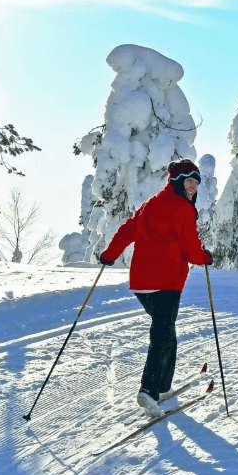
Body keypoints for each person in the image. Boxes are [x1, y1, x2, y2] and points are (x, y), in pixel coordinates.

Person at [99, 159, 212, 418]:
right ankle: (148, 390)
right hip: (166, 283)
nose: (193, 187)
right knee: (162, 336)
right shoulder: (182, 208)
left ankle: (161, 388)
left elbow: (128, 230)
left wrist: (110, 253)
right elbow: (191, 249)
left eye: (196, 182)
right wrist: (205, 256)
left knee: (167, 333)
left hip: (142, 284)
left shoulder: (152, 204)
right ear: (176, 181)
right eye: (189, 181)